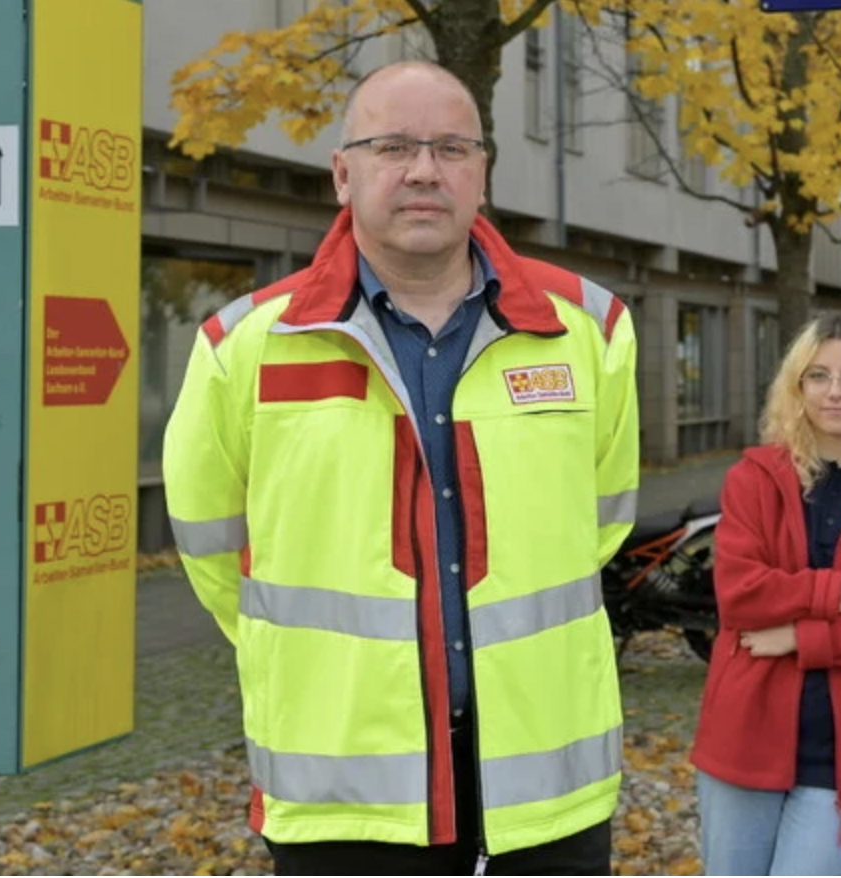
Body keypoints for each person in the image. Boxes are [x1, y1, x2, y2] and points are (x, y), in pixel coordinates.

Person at [163, 61, 639, 876]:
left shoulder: (589, 333)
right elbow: (216, 552)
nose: (424, 170)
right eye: (393, 146)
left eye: (452, 147)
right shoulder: (242, 348)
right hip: (345, 794)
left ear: (483, 173)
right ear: (343, 174)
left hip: (542, 791)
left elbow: (600, 525)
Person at [690, 312, 841, 876]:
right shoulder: (755, 479)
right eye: (819, 376)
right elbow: (741, 596)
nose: (836, 391)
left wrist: (800, 637)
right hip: (746, 736)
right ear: (796, 388)